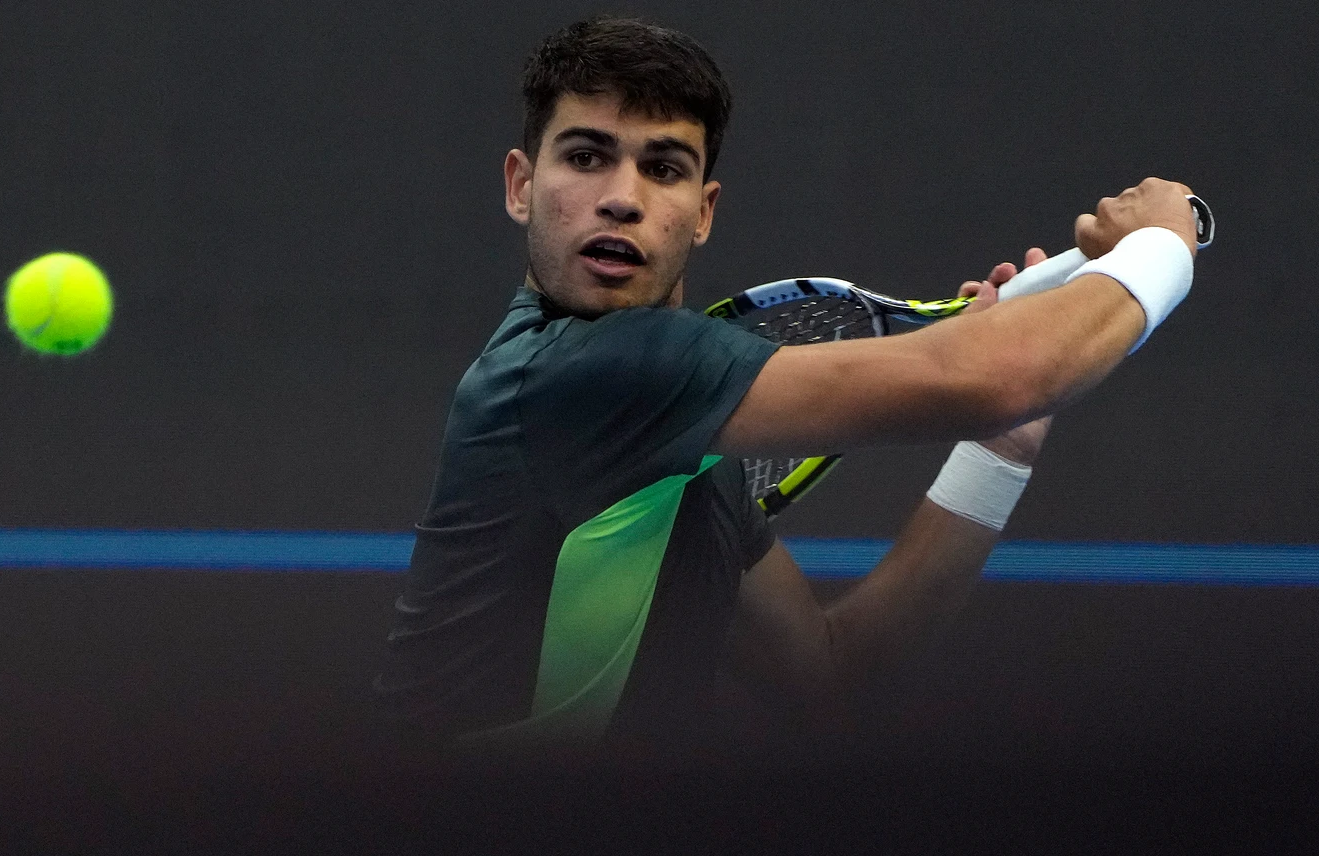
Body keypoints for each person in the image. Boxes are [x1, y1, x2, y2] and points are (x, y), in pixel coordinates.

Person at [372, 16, 1202, 751]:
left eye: (663, 168)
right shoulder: (588, 372)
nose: (620, 199)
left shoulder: (689, 447)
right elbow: (1003, 370)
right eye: (587, 157)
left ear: (702, 210)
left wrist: (1002, 441)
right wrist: (1162, 246)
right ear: (522, 184)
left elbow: (834, 678)